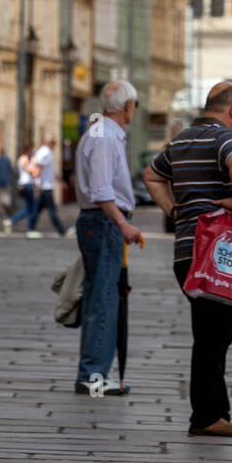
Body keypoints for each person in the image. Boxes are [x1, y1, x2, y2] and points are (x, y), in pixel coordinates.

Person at [143, 81, 232, 438]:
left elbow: (151, 175)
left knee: (210, 334)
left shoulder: (181, 140)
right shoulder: (223, 138)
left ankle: (215, 412)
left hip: (189, 254)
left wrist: (174, 210)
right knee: (214, 337)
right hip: (217, 257)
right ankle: (207, 416)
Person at [74, 83, 143, 395]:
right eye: (135, 106)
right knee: (103, 299)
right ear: (127, 105)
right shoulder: (104, 136)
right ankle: (93, 377)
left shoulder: (103, 133)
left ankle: (93, 373)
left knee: (101, 297)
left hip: (101, 222)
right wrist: (122, 224)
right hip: (104, 223)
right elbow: (102, 190)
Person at [28, 138, 66, 237]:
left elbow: (49, 170)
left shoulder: (42, 151)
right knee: (51, 209)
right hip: (44, 186)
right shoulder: (46, 152)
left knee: (38, 209)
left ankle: (31, 228)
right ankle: (60, 230)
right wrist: (37, 184)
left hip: (44, 185)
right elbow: (38, 168)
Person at [3, 144, 38, 235]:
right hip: (27, 184)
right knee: (31, 208)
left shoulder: (21, 159)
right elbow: (30, 171)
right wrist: (35, 166)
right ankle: (30, 229)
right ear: (28, 150)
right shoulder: (25, 158)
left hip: (24, 184)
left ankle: (10, 221)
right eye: (31, 150)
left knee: (28, 208)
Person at [0, 146, 14, 219]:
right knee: (6, 195)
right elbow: (11, 170)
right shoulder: (8, 160)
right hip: (7, 180)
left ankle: (2, 211)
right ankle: (7, 204)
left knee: (0, 196)